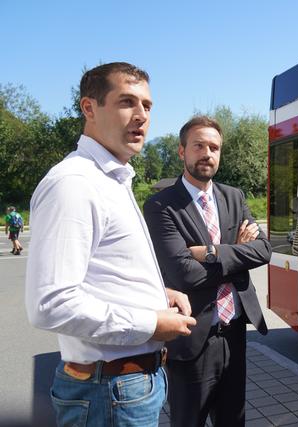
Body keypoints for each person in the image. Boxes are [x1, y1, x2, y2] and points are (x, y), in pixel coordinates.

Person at [25, 62, 197, 426]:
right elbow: (50, 303)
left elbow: (102, 272)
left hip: (125, 386)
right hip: (108, 391)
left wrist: (156, 293)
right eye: (126, 102)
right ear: (89, 108)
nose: (141, 116)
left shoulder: (112, 180)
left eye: (147, 106)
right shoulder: (74, 183)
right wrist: (150, 323)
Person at [143, 115, 271, 427]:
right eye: (198, 145)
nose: (207, 153)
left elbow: (264, 250)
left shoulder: (233, 196)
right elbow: (184, 274)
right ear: (181, 151)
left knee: (233, 420)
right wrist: (239, 255)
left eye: (214, 147)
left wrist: (211, 253)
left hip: (234, 331)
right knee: (189, 421)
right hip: (190, 337)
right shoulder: (161, 206)